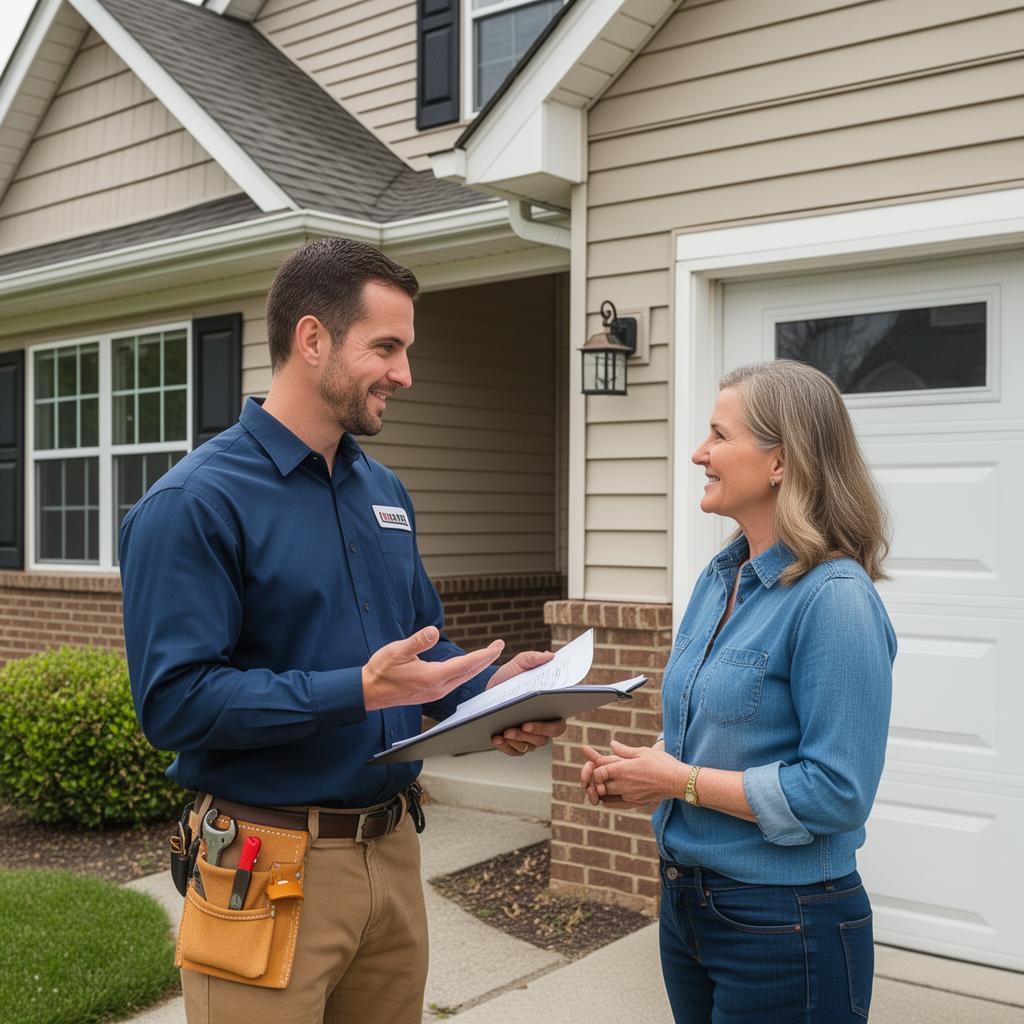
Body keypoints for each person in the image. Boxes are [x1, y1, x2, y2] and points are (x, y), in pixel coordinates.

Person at [120, 237, 564, 1024]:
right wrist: (357, 691)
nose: (405, 373)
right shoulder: (194, 503)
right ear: (312, 339)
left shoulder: (383, 490)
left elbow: (419, 647)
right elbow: (175, 704)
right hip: (262, 863)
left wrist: (489, 690)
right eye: (386, 347)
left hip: (393, 853)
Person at [580, 360, 896, 1023]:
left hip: (786, 923)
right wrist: (642, 772)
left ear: (780, 461)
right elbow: (715, 730)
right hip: (689, 906)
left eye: (719, 436)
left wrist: (678, 781)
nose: (700, 453)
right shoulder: (720, 577)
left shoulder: (835, 600)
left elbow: (837, 791)